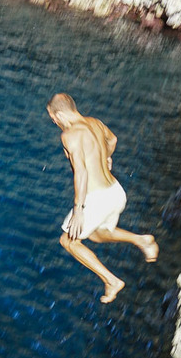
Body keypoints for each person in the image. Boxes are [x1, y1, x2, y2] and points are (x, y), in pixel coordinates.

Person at [47, 93, 159, 304]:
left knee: (68, 241)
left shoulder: (70, 135)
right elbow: (113, 139)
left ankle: (111, 281)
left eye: (53, 118)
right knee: (98, 234)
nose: (54, 123)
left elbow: (80, 172)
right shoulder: (94, 123)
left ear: (60, 113)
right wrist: (106, 156)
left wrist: (78, 209)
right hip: (115, 192)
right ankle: (142, 240)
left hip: (96, 197)